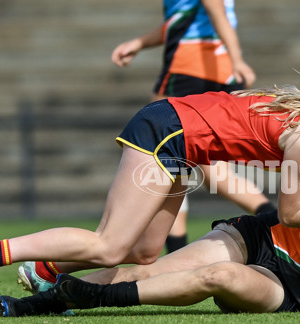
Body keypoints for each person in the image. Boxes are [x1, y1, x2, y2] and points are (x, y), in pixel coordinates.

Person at [0, 75, 300, 302]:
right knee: (109, 245)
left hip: (181, 144)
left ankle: (45, 271)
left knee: (145, 251)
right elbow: (291, 210)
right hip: (166, 133)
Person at [0, 141, 300, 316]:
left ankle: (90, 297)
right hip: (264, 235)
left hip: (294, 286)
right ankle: (35, 304)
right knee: (145, 272)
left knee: (223, 280)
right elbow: (298, 181)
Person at [112, 0, 273, 254]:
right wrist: (140, 43)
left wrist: (238, 59)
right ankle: (272, 219)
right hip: (218, 71)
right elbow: (181, 20)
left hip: (188, 65)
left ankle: (172, 251)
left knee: (164, 157)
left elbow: (215, 9)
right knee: (209, 168)